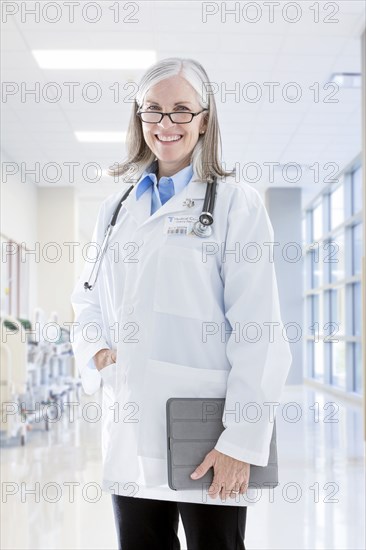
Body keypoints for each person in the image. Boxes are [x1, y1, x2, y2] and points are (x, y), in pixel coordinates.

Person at [70, 57, 293, 550]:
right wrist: (97, 352)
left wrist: (241, 442)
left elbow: (259, 330)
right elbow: (85, 301)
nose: (165, 124)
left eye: (180, 111)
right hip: (130, 428)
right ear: (139, 118)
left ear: (204, 120)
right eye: (153, 110)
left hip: (208, 433)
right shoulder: (116, 210)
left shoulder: (236, 203)